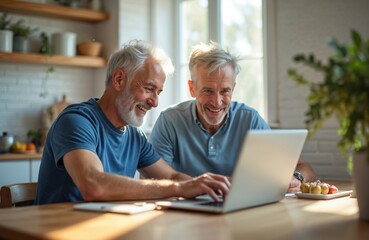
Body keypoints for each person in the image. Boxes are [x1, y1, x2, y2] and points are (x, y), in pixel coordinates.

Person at [35, 40, 230, 205]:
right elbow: (93, 185)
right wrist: (179, 188)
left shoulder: (134, 136)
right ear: (119, 79)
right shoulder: (77, 121)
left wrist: (207, 187)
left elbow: (172, 177)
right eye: (149, 88)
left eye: (158, 92)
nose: (155, 102)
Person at [149, 41, 316, 193]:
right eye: (208, 91)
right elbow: (156, 182)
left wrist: (296, 178)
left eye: (224, 91)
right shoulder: (169, 122)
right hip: (184, 214)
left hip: (240, 213)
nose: (217, 102)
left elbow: (303, 167)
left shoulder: (250, 120)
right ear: (192, 88)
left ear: (233, 88)